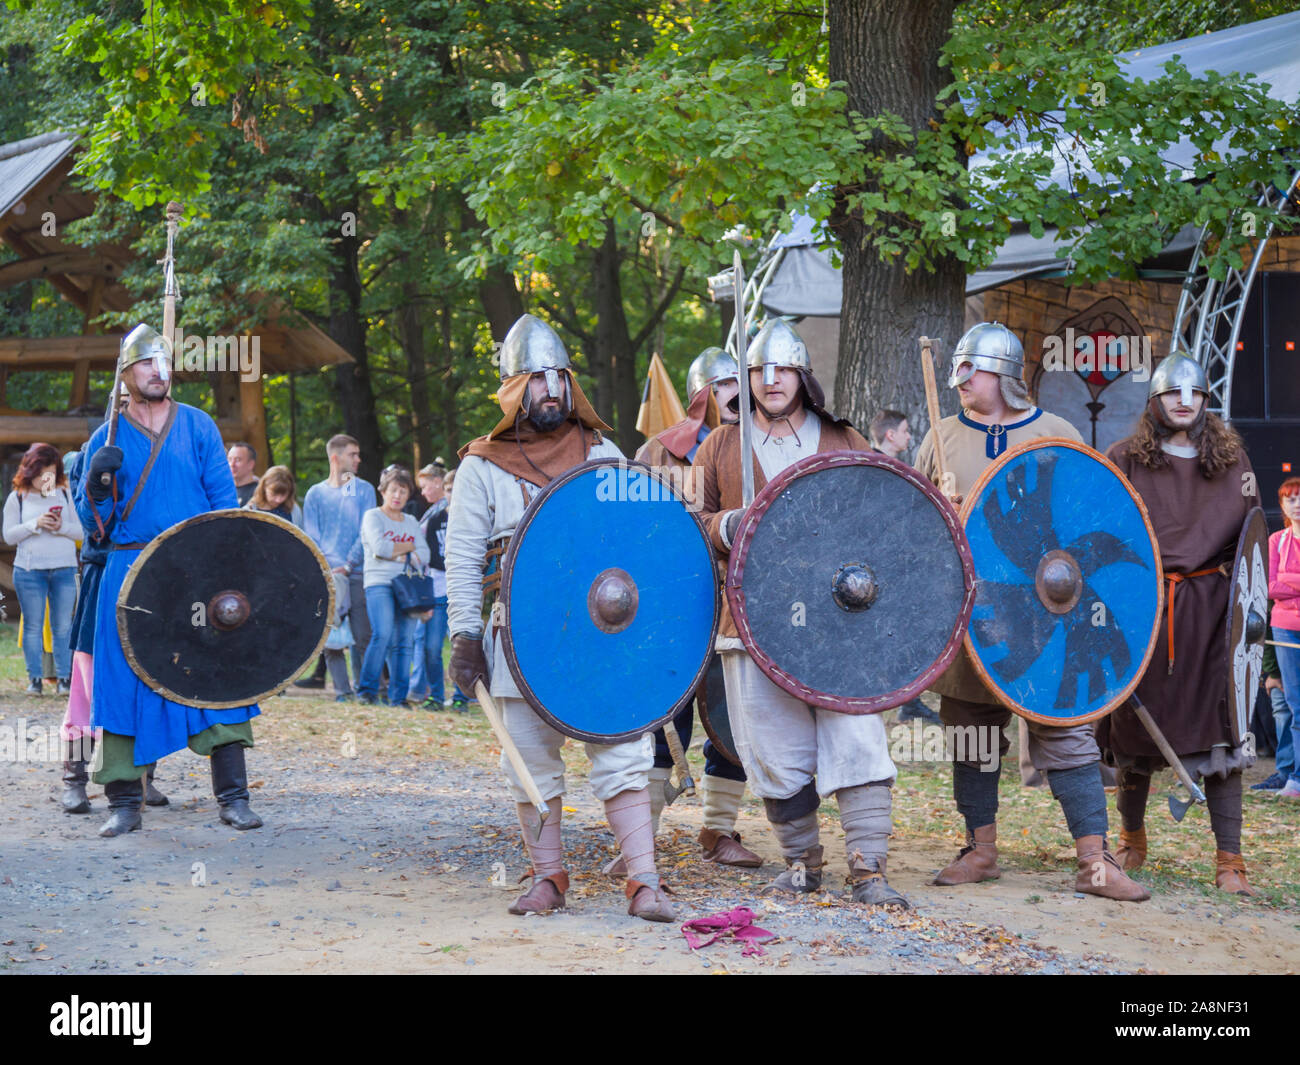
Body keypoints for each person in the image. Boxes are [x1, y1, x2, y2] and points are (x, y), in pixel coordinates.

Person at [446, 313, 674, 921]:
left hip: (605, 635)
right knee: (527, 757)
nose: (549, 389)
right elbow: (465, 558)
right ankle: (547, 876)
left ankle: (644, 880)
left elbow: (642, 544)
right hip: (521, 636)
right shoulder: (481, 466)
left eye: (558, 378)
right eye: (535, 379)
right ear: (513, 391)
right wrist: (464, 635)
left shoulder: (605, 453)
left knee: (624, 747)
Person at [915, 321, 1147, 902]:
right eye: (959, 369)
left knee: (1067, 731)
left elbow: (1088, 507)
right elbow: (912, 531)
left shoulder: (1055, 432)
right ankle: (981, 849)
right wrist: (940, 509)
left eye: (974, 369)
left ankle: (1095, 861)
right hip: (975, 612)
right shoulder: (940, 437)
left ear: (1006, 374)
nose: (961, 380)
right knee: (972, 733)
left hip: (1053, 611)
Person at [694, 318, 907, 907]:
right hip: (752, 614)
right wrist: (724, 526)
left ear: (802, 375)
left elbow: (887, 515)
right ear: (745, 379)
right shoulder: (719, 446)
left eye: (782, 368)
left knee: (855, 732)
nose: (771, 380)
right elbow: (692, 523)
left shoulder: (842, 440)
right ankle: (801, 862)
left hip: (842, 619)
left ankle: (868, 866)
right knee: (771, 741)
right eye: (759, 370)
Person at [78, 323, 262, 837]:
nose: (158, 372)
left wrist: (223, 566)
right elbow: (97, 528)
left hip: (194, 568)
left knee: (217, 677)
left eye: (163, 363)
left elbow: (224, 502)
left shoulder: (198, 426)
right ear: (126, 374)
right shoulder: (106, 438)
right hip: (130, 573)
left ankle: (233, 798)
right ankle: (123, 805)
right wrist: (97, 483)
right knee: (121, 684)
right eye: (145, 364)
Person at [1097, 352, 1258, 894]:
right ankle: (1132, 838)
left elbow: (1248, 544)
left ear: (1206, 400)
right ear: (1155, 401)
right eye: (1173, 393)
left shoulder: (1232, 461)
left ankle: (1229, 858)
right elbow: (1102, 533)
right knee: (1135, 727)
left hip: (1213, 616)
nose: (1185, 401)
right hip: (1147, 612)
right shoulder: (1126, 458)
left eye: (1194, 393)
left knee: (1223, 727)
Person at [631, 346, 761, 869]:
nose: (737, 392)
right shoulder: (658, 454)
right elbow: (637, 536)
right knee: (664, 722)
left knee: (734, 722)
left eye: (741, 382)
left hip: (739, 605)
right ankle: (642, 837)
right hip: (675, 607)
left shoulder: (760, 449)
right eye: (725, 384)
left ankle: (719, 830)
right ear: (701, 395)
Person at [57, 444, 170, 815]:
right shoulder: (92, 451)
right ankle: (75, 778)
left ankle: (143, 777)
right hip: (103, 573)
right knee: (88, 681)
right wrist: (96, 473)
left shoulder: (161, 450)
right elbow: (91, 518)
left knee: (150, 676)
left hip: (151, 577)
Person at [4, 442, 83, 695]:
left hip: (63, 569)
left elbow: (82, 531)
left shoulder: (65, 494)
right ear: (30, 471)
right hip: (29, 570)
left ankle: (64, 679)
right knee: (33, 626)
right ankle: (34, 679)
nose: (44, 480)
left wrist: (60, 526)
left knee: (62, 626)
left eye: (50, 474)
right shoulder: (18, 497)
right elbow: (9, 536)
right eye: (40, 475)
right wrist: (35, 524)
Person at [301, 435, 376, 690]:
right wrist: (326, 568)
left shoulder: (363, 490)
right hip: (326, 575)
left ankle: (365, 689)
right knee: (330, 636)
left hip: (356, 572)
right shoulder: (315, 494)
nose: (358, 459)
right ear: (336, 457)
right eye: (352, 454)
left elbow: (366, 532)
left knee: (362, 635)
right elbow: (311, 535)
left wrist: (349, 564)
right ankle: (343, 691)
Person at [358, 466, 430, 706]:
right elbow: (379, 548)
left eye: (403, 491)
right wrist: (407, 550)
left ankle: (398, 697)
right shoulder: (372, 517)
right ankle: (367, 691)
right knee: (383, 633)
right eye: (393, 491)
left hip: (407, 585)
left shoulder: (410, 521)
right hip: (379, 582)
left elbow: (425, 554)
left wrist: (397, 553)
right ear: (383, 491)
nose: (398, 496)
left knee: (405, 641)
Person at [1266, 477, 1300, 798]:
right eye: (1291, 499)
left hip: (1288, 619)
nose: (1297, 503)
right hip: (1285, 626)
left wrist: (1288, 581)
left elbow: (1281, 584)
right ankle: (1295, 778)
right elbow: (1269, 586)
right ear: (1282, 506)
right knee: (1294, 702)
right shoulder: (1276, 541)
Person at [412, 465, 450, 710]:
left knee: (459, 644)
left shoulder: (447, 513)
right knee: (430, 646)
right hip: (434, 588)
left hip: (451, 587)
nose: (423, 492)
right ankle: (435, 694)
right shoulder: (431, 513)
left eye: (425, 486)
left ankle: (463, 696)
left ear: (438, 482)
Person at [227, 442, 260, 506]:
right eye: (229, 459)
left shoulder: (260, 493)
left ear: (251, 464)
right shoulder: (223, 491)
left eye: (237, 460)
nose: (232, 464)